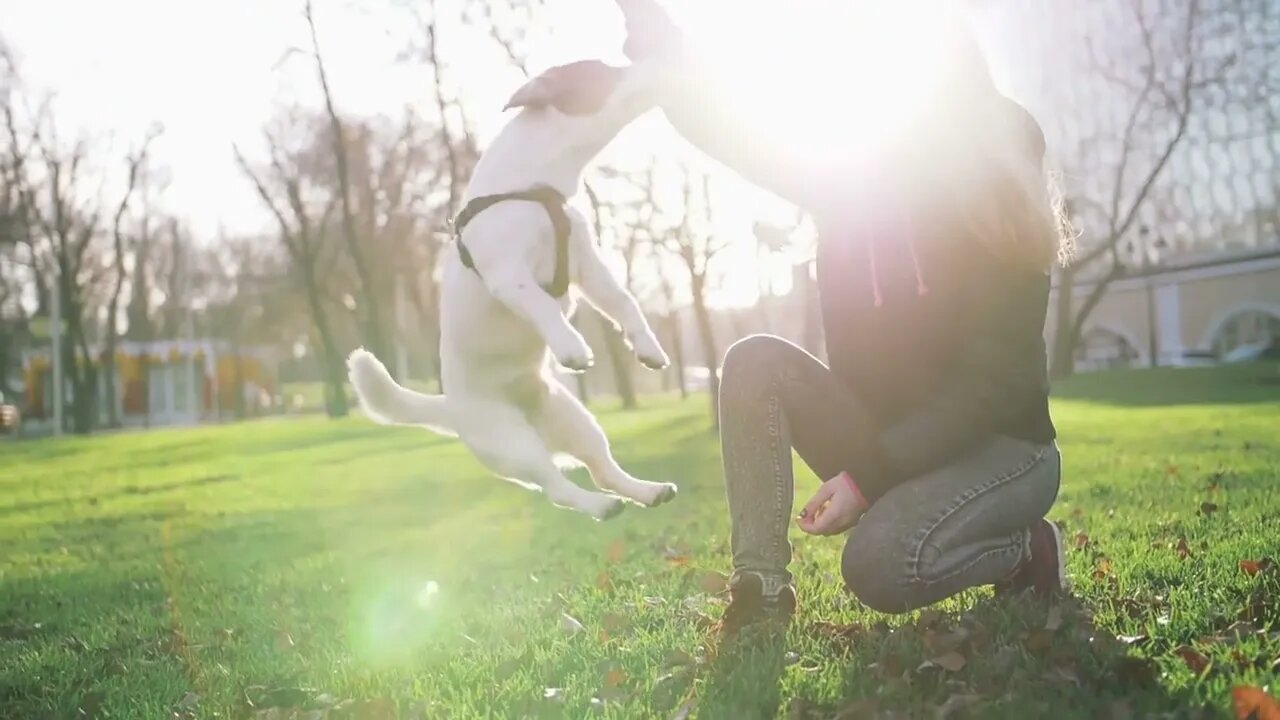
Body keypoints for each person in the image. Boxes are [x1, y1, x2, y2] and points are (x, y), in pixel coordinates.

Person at [616, 0, 1074, 633]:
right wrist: (656, 38)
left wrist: (868, 478)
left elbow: (988, 388)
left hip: (1002, 449)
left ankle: (1027, 549)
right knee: (755, 363)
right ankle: (762, 591)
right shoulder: (849, 176)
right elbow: (733, 126)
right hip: (892, 434)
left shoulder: (997, 189)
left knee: (883, 565)